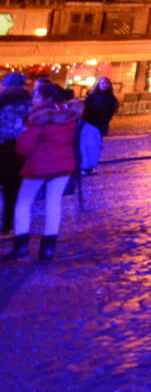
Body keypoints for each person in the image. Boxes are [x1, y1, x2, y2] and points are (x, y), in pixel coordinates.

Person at [5, 81, 82, 262]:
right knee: (53, 204)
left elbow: (23, 146)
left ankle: (21, 246)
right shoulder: (69, 115)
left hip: (39, 166)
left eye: (36, 95)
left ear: (46, 98)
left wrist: (22, 158)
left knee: (23, 204)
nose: (33, 99)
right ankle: (48, 250)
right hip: (63, 167)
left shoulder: (39, 118)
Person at [0, 73, 30, 237]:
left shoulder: (1, 100)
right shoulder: (29, 104)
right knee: (12, 192)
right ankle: (8, 226)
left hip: (3, 147)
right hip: (19, 152)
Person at [78, 77, 118, 176]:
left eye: (106, 83)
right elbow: (84, 107)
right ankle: (85, 165)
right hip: (89, 124)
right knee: (87, 145)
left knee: (95, 146)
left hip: (100, 125)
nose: (104, 85)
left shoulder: (111, 98)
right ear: (99, 84)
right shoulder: (92, 96)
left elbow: (111, 112)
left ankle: (91, 166)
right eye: (102, 83)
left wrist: (105, 120)